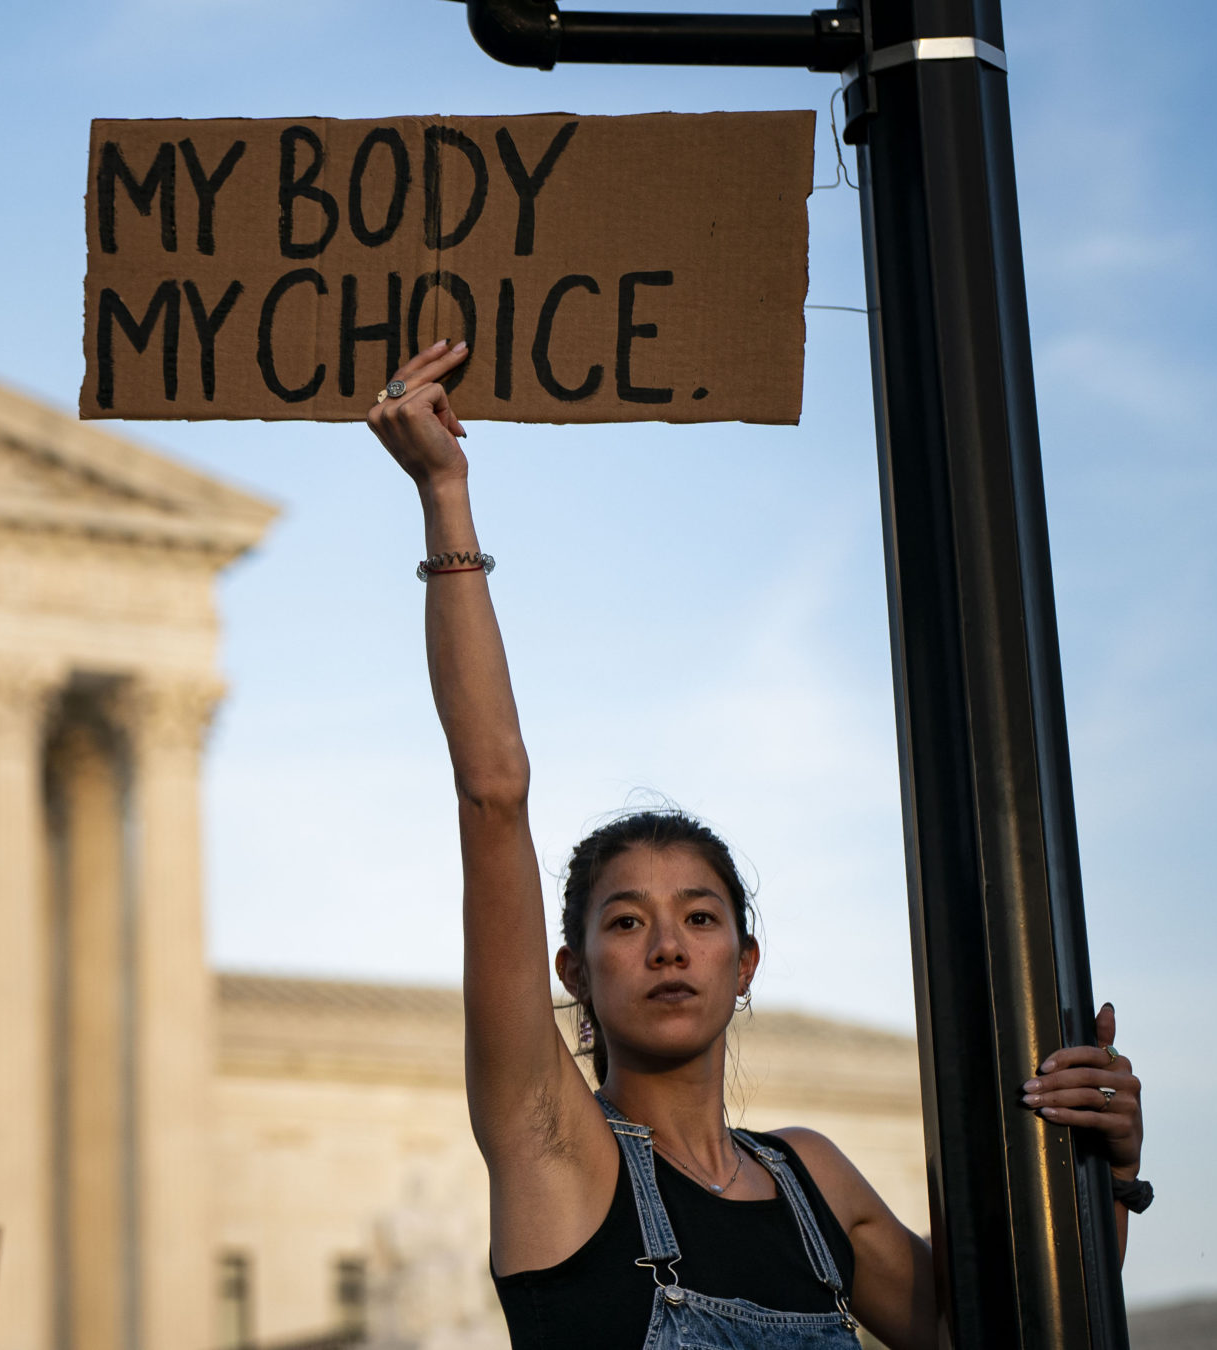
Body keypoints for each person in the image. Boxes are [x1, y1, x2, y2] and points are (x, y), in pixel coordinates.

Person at [365, 338, 1152, 1350]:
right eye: (626, 922)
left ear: (744, 964)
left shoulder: (812, 1180)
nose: (668, 946)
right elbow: (493, 794)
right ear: (572, 971)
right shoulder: (552, 1144)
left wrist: (1105, 1174)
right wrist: (444, 495)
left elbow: (1004, 1333)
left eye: (700, 919)